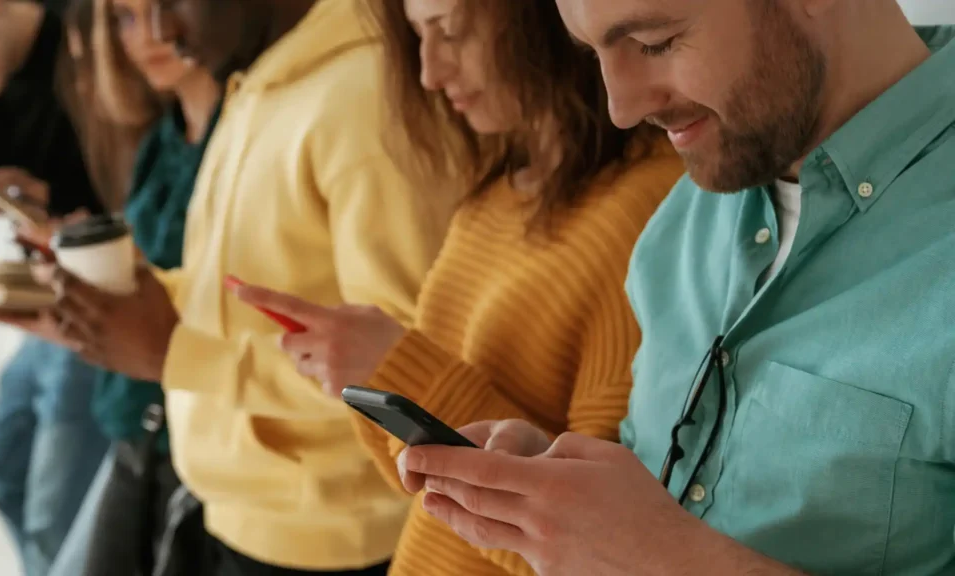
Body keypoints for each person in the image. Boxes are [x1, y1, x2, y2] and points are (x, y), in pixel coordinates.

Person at [392, 1, 955, 575]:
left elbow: (664, 552)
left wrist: (673, 560)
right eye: (594, 53)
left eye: (655, 43)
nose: (621, 108)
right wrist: (564, 495)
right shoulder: (680, 223)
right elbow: (664, 499)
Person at [230, 0, 682, 575]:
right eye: (418, 37)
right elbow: (432, 500)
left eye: (452, 32)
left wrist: (400, 369)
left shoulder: (645, 211)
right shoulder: (494, 198)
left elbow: (597, 547)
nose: (429, 72)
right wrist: (373, 377)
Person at [38, 0, 455, 574]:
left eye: (168, 2)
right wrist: (130, 305)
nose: (159, 33)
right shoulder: (259, 80)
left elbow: (403, 371)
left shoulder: (365, 98)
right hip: (236, 512)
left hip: (326, 539)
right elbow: (252, 295)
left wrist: (173, 352)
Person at [41, 0, 222, 573]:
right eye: (123, 17)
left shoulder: (245, 136)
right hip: (134, 418)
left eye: (161, 9)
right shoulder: (158, 141)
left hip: (197, 432)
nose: (148, 36)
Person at [0, 1, 111, 573]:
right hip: (46, 299)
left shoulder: (92, 51)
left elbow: (139, 213)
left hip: (109, 299)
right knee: (2, 465)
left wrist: (50, 213)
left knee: (53, 513)